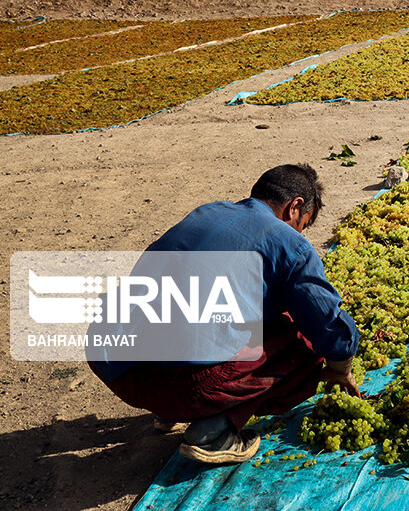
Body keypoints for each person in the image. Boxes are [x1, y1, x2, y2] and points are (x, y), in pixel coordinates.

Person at [88, 164, 360, 464]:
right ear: (294, 208)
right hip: (181, 385)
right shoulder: (288, 242)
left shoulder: (207, 212)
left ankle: (168, 413)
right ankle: (214, 432)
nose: (299, 233)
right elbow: (326, 322)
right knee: (304, 343)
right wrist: (341, 367)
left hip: (115, 365)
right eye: (303, 224)